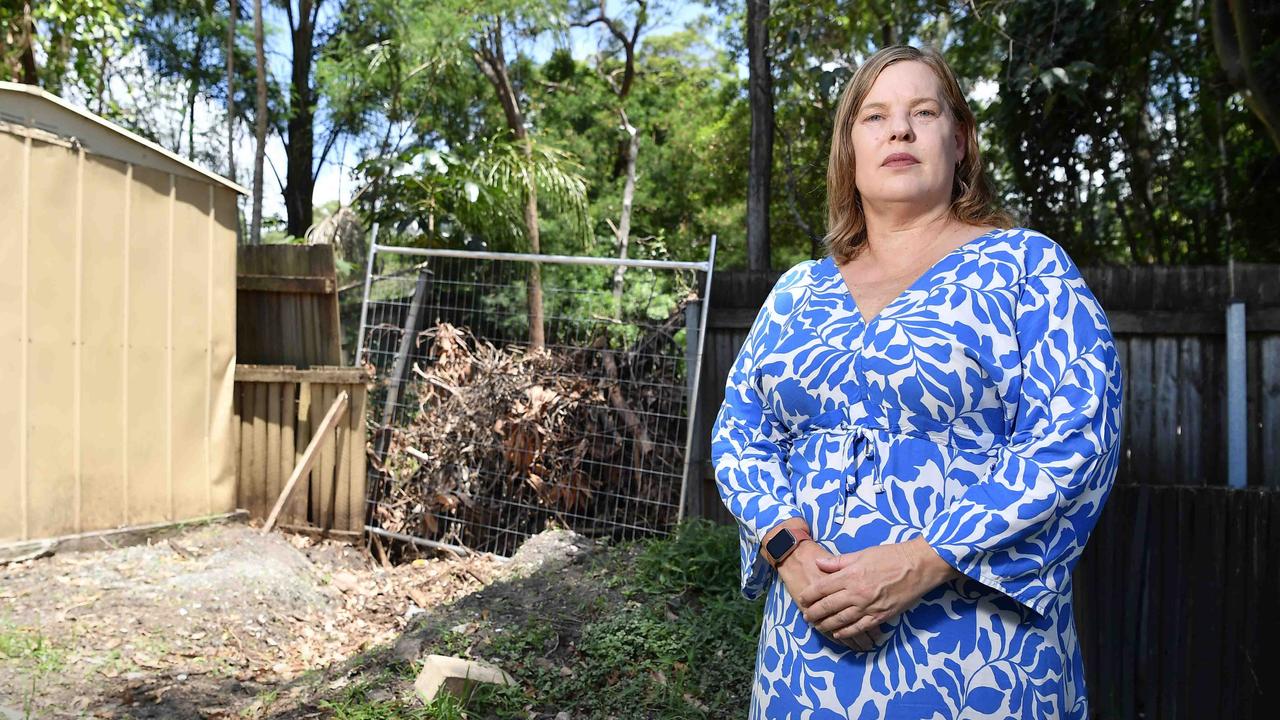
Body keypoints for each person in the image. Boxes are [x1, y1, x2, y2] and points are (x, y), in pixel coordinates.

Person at [710, 44, 1123, 719]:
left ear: (959, 140)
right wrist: (790, 548)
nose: (898, 130)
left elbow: (1076, 439)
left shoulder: (1027, 269)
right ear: (850, 149)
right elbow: (740, 433)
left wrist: (925, 560)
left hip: (975, 656)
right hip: (803, 660)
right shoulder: (796, 292)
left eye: (922, 112)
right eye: (874, 116)